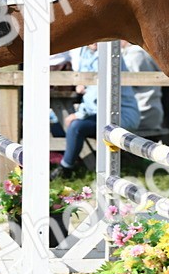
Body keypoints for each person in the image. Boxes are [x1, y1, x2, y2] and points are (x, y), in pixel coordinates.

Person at [52, 44, 140, 179]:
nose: (92, 41)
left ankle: (66, 168)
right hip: (101, 113)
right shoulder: (84, 52)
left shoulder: (108, 54)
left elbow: (98, 94)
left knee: (75, 126)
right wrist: (82, 84)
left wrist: (78, 114)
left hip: (121, 115)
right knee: (57, 127)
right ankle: (76, 160)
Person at [121, 41, 165, 137]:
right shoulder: (142, 52)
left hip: (142, 113)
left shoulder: (135, 54)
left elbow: (128, 82)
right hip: (152, 111)